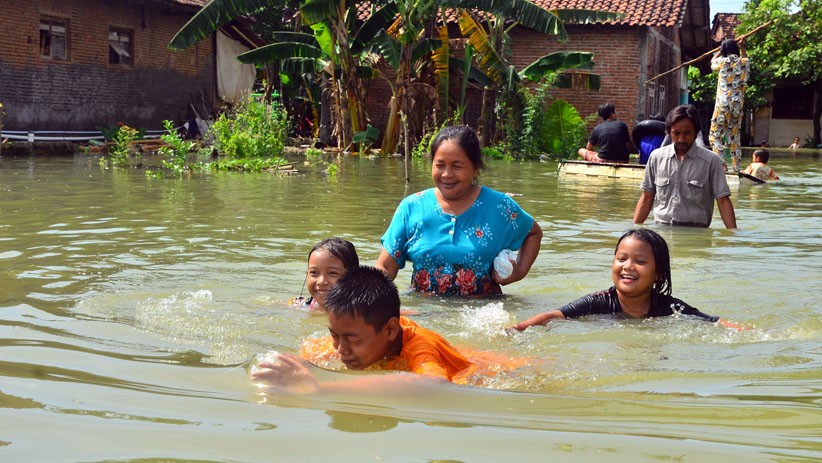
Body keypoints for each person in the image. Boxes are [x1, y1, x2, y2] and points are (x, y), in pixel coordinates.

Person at [252, 266, 529, 393]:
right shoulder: (347, 337)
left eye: (352, 339)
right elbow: (306, 360)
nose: (340, 349)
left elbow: (435, 385)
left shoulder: (420, 346)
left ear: (390, 330)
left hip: (504, 370)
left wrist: (322, 388)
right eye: (335, 335)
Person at [375, 125, 542, 296]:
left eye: (457, 166)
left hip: (483, 313)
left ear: (475, 168)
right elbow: (386, 266)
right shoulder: (411, 207)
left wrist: (519, 272)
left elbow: (533, 233)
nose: (447, 174)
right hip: (424, 312)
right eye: (440, 165)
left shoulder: (499, 206)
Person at [510, 229, 742, 331]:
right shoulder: (598, 302)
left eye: (640, 262)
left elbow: (711, 321)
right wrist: (519, 328)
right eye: (621, 259)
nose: (628, 266)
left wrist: (746, 330)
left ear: (658, 273)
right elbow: (554, 316)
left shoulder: (670, 307)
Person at [633, 104, 738, 229]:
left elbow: (723, 200)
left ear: (696, 133)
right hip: (662, 230)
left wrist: (733, 235)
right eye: (676, 133)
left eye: (687, 133)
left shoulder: (711, 161)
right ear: (669, 133)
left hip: (697, 233)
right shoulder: (656, 157)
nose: (681, 139)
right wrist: (634, 229)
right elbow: (647, 197)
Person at [708, 39, 750, 173]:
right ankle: (736, 168)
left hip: (723, 104)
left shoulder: (723, 62)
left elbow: (712, 63)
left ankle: (722, 165)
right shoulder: (744, 63)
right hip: (737, 106)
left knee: (714, 136)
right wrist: (742, 47)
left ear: (724, 51)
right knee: (734, 138)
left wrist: (719, 52)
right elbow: (746, 58)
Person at [289, 237, 359, 311]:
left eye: (332, 273)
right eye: (313, 272)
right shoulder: (299, 304)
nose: (321, 282)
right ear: (307, 275)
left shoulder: (362, 314)